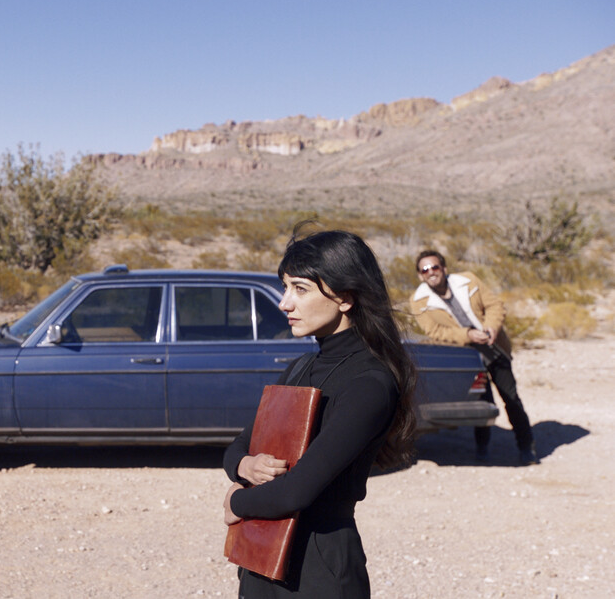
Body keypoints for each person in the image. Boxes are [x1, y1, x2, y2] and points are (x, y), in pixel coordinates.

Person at [223, 229, 417, 598]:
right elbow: (238, 446)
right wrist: (245, 467)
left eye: (300, 289)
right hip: (263, 560)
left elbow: (297, 492)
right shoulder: (298, 369)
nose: (284, 303)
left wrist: (235, 501)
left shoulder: (369, 383)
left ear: (344, 298)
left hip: (318, 570)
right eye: (285, 288)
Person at [409, 250, 538, 465]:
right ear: (420, 276)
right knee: (482, 401)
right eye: (425, 270)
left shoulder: (469, 281)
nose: (431, 272)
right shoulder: (419, 301)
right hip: (467, 355)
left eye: (435, 267)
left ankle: (527, 447)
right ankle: (483, 449)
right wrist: (467, 335)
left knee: (511, 398)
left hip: (493, 347)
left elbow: (495, 305)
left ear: (444, 269)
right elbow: (435, 331)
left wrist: (491, 328)